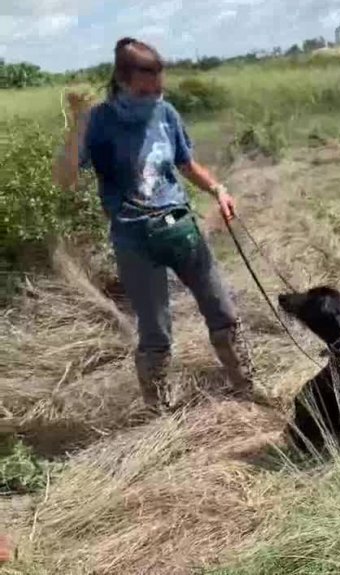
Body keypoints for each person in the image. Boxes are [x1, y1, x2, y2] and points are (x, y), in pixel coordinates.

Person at [53, 37, 255, 412]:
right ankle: (160, 410)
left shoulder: (166, 114)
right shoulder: (99, 121)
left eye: (159, 89)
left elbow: (185, 163)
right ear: (124, 82)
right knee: (155, 330)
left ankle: (246, 385)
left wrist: (218, 189)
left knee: (223, 309)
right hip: (134, 240)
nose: (155, 98)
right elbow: (64, 178)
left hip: (181, 226)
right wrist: (78, 123)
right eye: (147, 91)